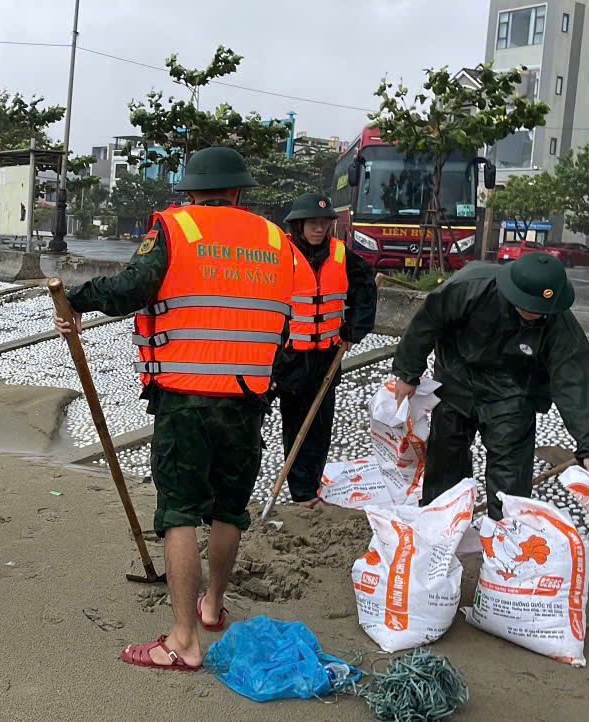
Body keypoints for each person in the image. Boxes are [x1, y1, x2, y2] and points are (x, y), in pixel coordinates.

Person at [53, 147, 295, 671]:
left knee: (180, 511)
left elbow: (131, 288)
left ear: (191, 191)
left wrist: (75, 298)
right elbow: (290, 319)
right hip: (249, 397)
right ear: (238, 192)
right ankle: (212, 607)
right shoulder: (278, 240)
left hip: (186, 395)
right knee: (230, 506)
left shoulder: (175, 228)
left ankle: (183, 641)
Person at [391, 252, 589, 520]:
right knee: (447, 454)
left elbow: (576, 377)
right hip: (457, 374)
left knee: (511, 473)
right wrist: (407, 373)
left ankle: (507, 536)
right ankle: (440, 523)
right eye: (531, 308)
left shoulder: (556, 319)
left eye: (543, 311)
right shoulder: (470, 287)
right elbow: (427, 323)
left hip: (513, 389)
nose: (538, 316)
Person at [271, 192, 376, 507]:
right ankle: (299, 489)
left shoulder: (342, 255)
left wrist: (354, 329)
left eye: (324, 224)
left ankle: (309, 489)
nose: (319, 229)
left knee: (319, 424)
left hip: (327, 356)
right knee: (295, 423)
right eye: (313, 224)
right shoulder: (281, 254)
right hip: (290, 357)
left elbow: (365, 289)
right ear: (299, 224)